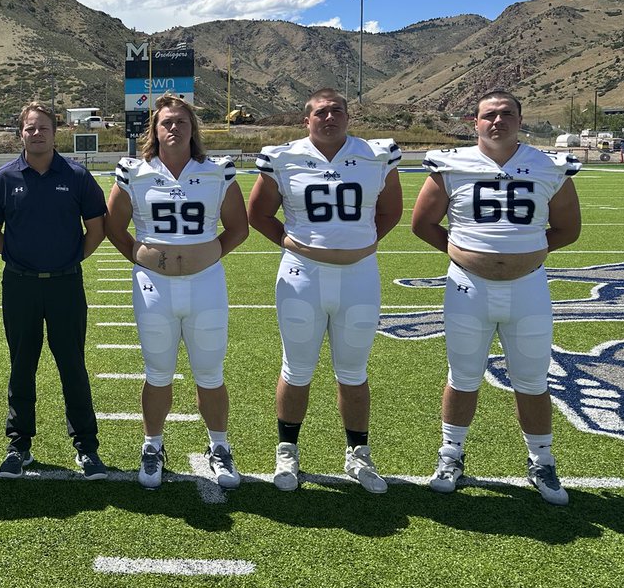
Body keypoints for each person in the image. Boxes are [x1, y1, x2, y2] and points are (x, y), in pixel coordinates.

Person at [411, 90, 581, 505]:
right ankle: (450, 455)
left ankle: (542, 460)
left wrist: (526, 255)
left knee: (532, 380)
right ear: (476, 122)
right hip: (469, 288)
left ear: (520, 119)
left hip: (528, 289)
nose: (498, 121)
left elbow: (568, 229)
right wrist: (466, 253)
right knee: (463, 375)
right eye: (489, 115)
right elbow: (423, 223)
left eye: (506, 113)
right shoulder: (452, 164)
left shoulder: (549, 166)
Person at [247, 89, 403, 494]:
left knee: (353, 372)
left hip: (359, 276)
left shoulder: (376, 154)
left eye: (337, 110)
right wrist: (293, 243)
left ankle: (358, 454)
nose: (329, 117)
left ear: (349, 116)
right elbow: (258, 214)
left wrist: (362, 246)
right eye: (320, 112)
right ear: (307, 120)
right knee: (296, 368)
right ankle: (287, 452)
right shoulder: (284, 157)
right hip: (303, 276)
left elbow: (390, 212)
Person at [105, 94, 249, 489]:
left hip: (205, 284)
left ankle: (219, 446)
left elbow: (239, 228)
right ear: (154, 129)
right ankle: (153, 445)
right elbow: (114, 228)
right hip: (154, 287)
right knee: (157, 372)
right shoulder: (134, 171)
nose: (173, 128)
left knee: (210, 372)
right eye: (166, 122)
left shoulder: (217, 171)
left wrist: (209, 252)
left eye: (181, 122)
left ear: (193, 129)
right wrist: (140, 255)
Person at [0, 101, 109, 479]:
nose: (37, 134)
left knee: (72, 365)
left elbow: (96, 229)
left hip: (66, 285)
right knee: (21, 366)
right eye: (30, 128)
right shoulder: (4, 179)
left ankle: (86, 447)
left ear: (56, 132)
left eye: (43, 128)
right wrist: (19, 259)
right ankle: (19, 446)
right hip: (19, 286)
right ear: (22, 132)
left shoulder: (78, 176)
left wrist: (68, 260)